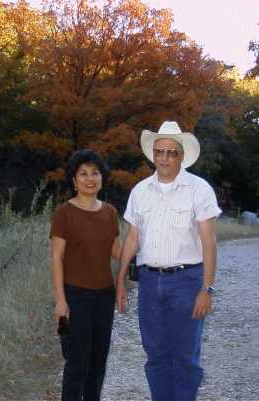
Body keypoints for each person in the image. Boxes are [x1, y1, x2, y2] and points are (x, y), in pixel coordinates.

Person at [116, 121, 221, 401]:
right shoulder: (140, 191)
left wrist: (206, 289)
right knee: (156, 355)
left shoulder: (199, 190)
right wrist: (120, 282)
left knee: (185, 356)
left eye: (171, 152)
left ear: (182, 155)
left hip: (187, 282)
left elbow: (209, 243)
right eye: (159, 151)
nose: (164, 158)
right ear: (153, 153)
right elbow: (131, 239)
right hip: (149, 282)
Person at [50, 149, 122, 401]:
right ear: (74, 180)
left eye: (95, 173)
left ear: (102, 178)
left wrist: (144, 254)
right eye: (83, 174)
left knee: (98, 363)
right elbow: (57, 257)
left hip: (104, 295)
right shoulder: (64, 213)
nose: (90, 178)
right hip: (75, 295)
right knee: (76, 364)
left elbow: (116, 251)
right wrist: (61, 301)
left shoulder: (110, 212)